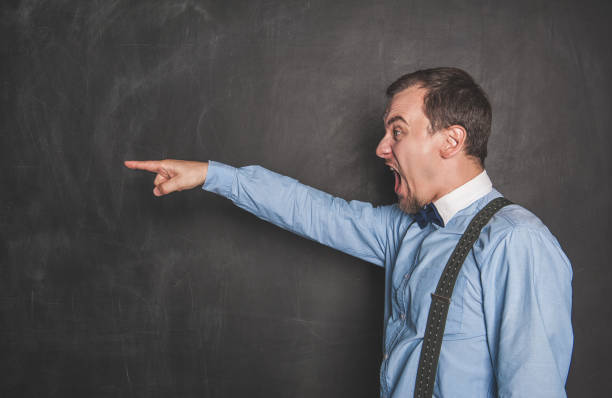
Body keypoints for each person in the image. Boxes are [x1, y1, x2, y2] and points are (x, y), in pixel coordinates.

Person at [124, 67, 573, 397]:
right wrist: (211, 174)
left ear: (450, 141)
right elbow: (314, 211)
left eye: (397, 131)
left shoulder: (517, 241)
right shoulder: (403, 230)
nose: (382, 148)